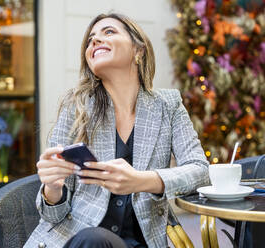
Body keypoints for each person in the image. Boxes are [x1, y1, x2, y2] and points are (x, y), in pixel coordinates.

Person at [25, 13, 209, 248]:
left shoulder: (168, 105)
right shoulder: (76, 106)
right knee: (94, 240)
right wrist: (52, 188)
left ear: (138, 51)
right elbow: (52, 216)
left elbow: (200, 172)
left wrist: (142, 181)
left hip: (141, 241)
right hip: (79, 240)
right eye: (91, 39)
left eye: (108, 32)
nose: (95, 41)